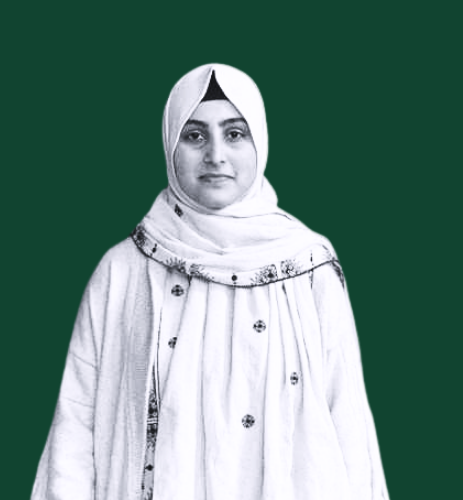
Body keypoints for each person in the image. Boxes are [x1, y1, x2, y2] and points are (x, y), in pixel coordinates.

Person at [31, 64, 390, 500]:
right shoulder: (125, 269)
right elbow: (76, 420)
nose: (215, 155)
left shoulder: (307, 266)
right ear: (170, 145)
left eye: (235, 134)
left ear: (260, 141)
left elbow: (347, 416)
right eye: (195, 135)